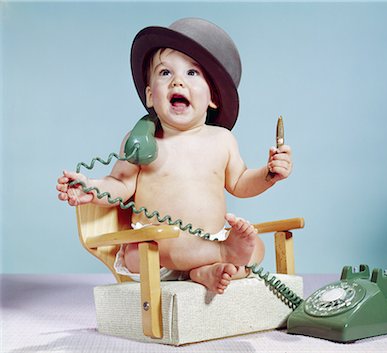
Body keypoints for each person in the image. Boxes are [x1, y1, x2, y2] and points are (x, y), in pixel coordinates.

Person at [56, 18, 292, 294]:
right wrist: (91, 188)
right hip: (157, 248)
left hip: (210, 240)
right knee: (173, 244)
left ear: (212, 97)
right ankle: (221, 256)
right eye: (165, 73)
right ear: (149, 96)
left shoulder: (222, 140)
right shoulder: (144, 142)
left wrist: (268, 174)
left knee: (257, 248)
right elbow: (119, 184)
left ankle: (206, 270)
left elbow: (240, 182)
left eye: (192, 73)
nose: (178, 81)